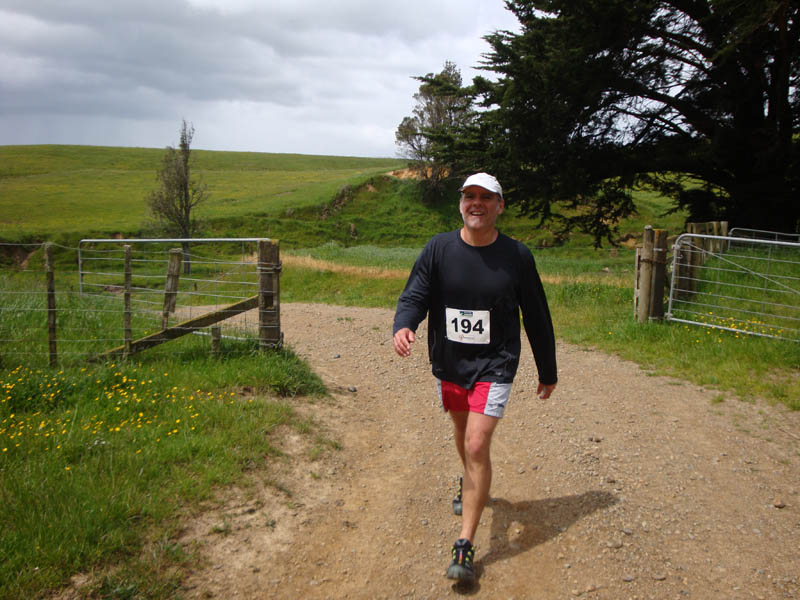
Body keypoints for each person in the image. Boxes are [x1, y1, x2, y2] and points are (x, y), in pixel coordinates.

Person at [392, 172, 557, 582]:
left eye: (486, 197)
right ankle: (470, 481)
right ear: (461, 203)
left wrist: (547, 369)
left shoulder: (517, 256)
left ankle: (464, 544)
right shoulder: (439, 248)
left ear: (500, 205)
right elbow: (415, 293)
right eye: (470, 196)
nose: (476, 203)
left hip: (496, 362)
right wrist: (404, 324)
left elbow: (536, 314)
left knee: (477, 442)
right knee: (462, 430)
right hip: (450, 362)